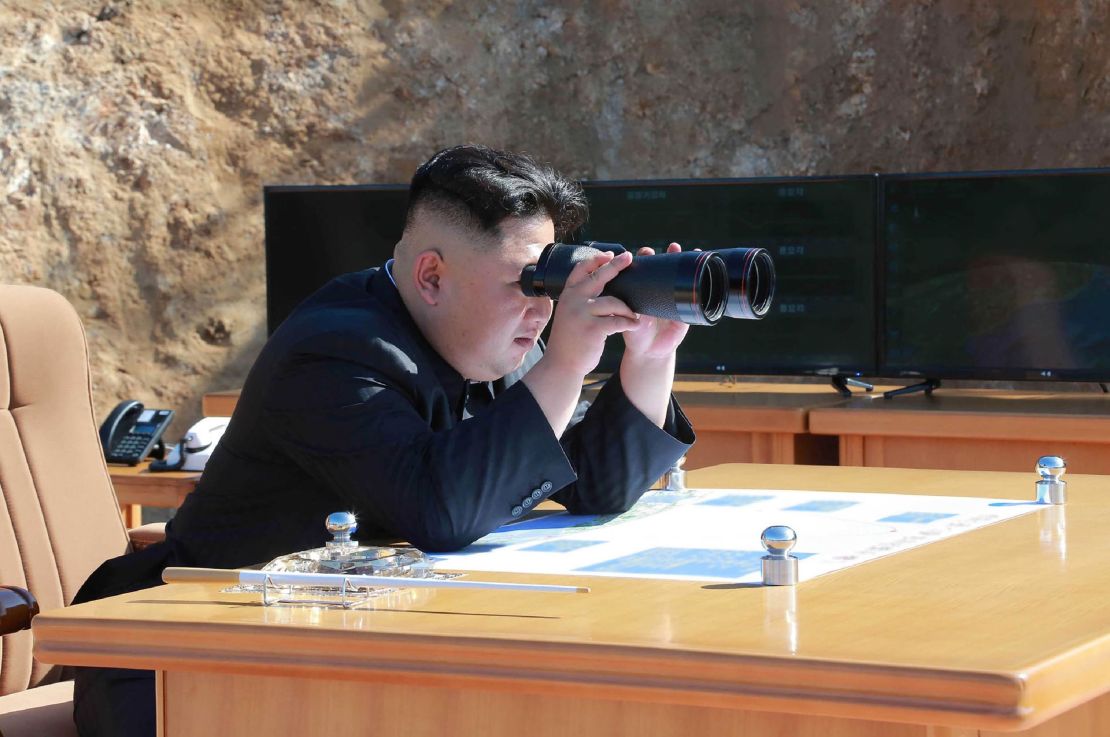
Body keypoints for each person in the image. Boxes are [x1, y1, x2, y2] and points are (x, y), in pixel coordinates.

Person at [72, 144, 694, 736]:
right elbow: (439, 509)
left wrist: (648, 358)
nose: (542, 309)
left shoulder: (483, 340)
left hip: (343, 654)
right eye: (525, 283)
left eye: (549, 285)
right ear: (431, 276)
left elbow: (593, 484)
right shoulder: (336, 350)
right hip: (193, 672)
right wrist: (566, 364)